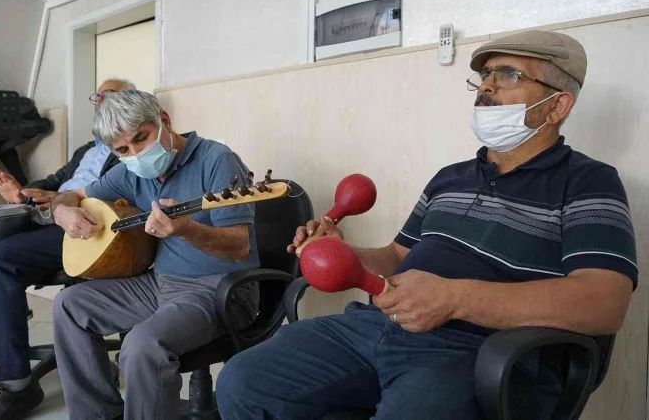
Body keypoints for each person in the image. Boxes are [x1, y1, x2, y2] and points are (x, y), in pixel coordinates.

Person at [216, 30, 637, 420]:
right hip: (378, 327)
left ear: (558, 105)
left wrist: (454, 298)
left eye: (508, 75)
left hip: (475, 349)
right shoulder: (450, 177)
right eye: (485, 75)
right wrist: (342, 254)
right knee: (242, 381)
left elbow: (604, 301)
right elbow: (398, 258)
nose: (487, 86)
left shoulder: (588, 181)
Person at [50, 89, 260, 420]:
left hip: (221, 289)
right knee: (69, 305)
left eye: (141, 138)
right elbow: (71, 195)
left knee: (140, 346)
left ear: (164, 120)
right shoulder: (130, 171)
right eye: (123, 149)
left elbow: (239, 246)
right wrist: (62, 213)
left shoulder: (217, 160)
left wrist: (187, 229)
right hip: (161, 284)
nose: (135, 153)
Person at [0, 78, 134, 419]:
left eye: (110, 95)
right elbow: (54, 183)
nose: (100, 100)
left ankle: (16, 385)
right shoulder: (86, 150)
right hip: (48, 216)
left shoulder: (131, 147)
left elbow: (121, 198)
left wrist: (60, 203)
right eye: (96, 96)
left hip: (85, 226)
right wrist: (22, 192)